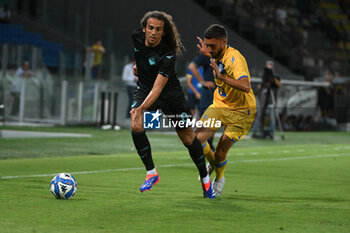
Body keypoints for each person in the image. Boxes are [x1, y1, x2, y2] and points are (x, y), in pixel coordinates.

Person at [130, 10, 215, 198]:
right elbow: (141, 54)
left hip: (170, 95)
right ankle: (151, 172)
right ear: (144, 29)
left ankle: (205, 179)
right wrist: (139, 67)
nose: (153, 32)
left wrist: (141, 107)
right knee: (136, 124)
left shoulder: (167, 54)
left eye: (158, 29)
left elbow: (158, 89)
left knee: (188, 139)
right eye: (150, 28)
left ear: (163, 32)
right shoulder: (136, 36)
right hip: (145, 88)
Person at [195, 24, 256, 195]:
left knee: (221, 152)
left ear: (224, 42)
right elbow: (213, 56)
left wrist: (222, 77)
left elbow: (245, 85)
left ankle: (219, 177)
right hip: (221, 106)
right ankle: (213, 165)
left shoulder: (235, 59)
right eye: (207, 45)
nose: (209, 49)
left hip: (242, 112)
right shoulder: (215, 53)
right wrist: (207, 53)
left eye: (212, 46)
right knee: (195, 141)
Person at [188, 54, 216, 150]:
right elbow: (192, 66)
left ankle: (209, 143)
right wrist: (203, 82)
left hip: (218, 93)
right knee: (203, 118)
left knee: (215, 119)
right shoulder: (207, 55)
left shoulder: (225, 55)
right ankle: (196, 143)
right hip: (208, 92)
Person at [256, 60, 282, 139]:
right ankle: (261, 131)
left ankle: (271, 133)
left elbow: (279, 84)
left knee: (272, 117)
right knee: (261, 115)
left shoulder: (275, 76)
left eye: (270, 66)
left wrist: (272, 76)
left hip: (272, 100)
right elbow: (260, 87)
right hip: (264, 100)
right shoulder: (264, 76)